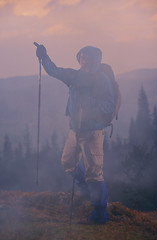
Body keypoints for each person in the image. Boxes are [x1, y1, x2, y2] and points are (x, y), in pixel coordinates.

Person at [35, 44, 115, 224]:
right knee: (68, 162)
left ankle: (100, 213)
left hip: (93, 131)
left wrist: (92, 103)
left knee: (94, 172)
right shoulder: (75, 76)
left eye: (88, 56)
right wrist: (44, 57)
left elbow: (109, 104)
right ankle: (86, 191)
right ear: (79, 59)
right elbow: (54, 71)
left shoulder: (102, 79)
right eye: (82, 56)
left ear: (96, 59)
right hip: (75, 130)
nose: (84, 59)